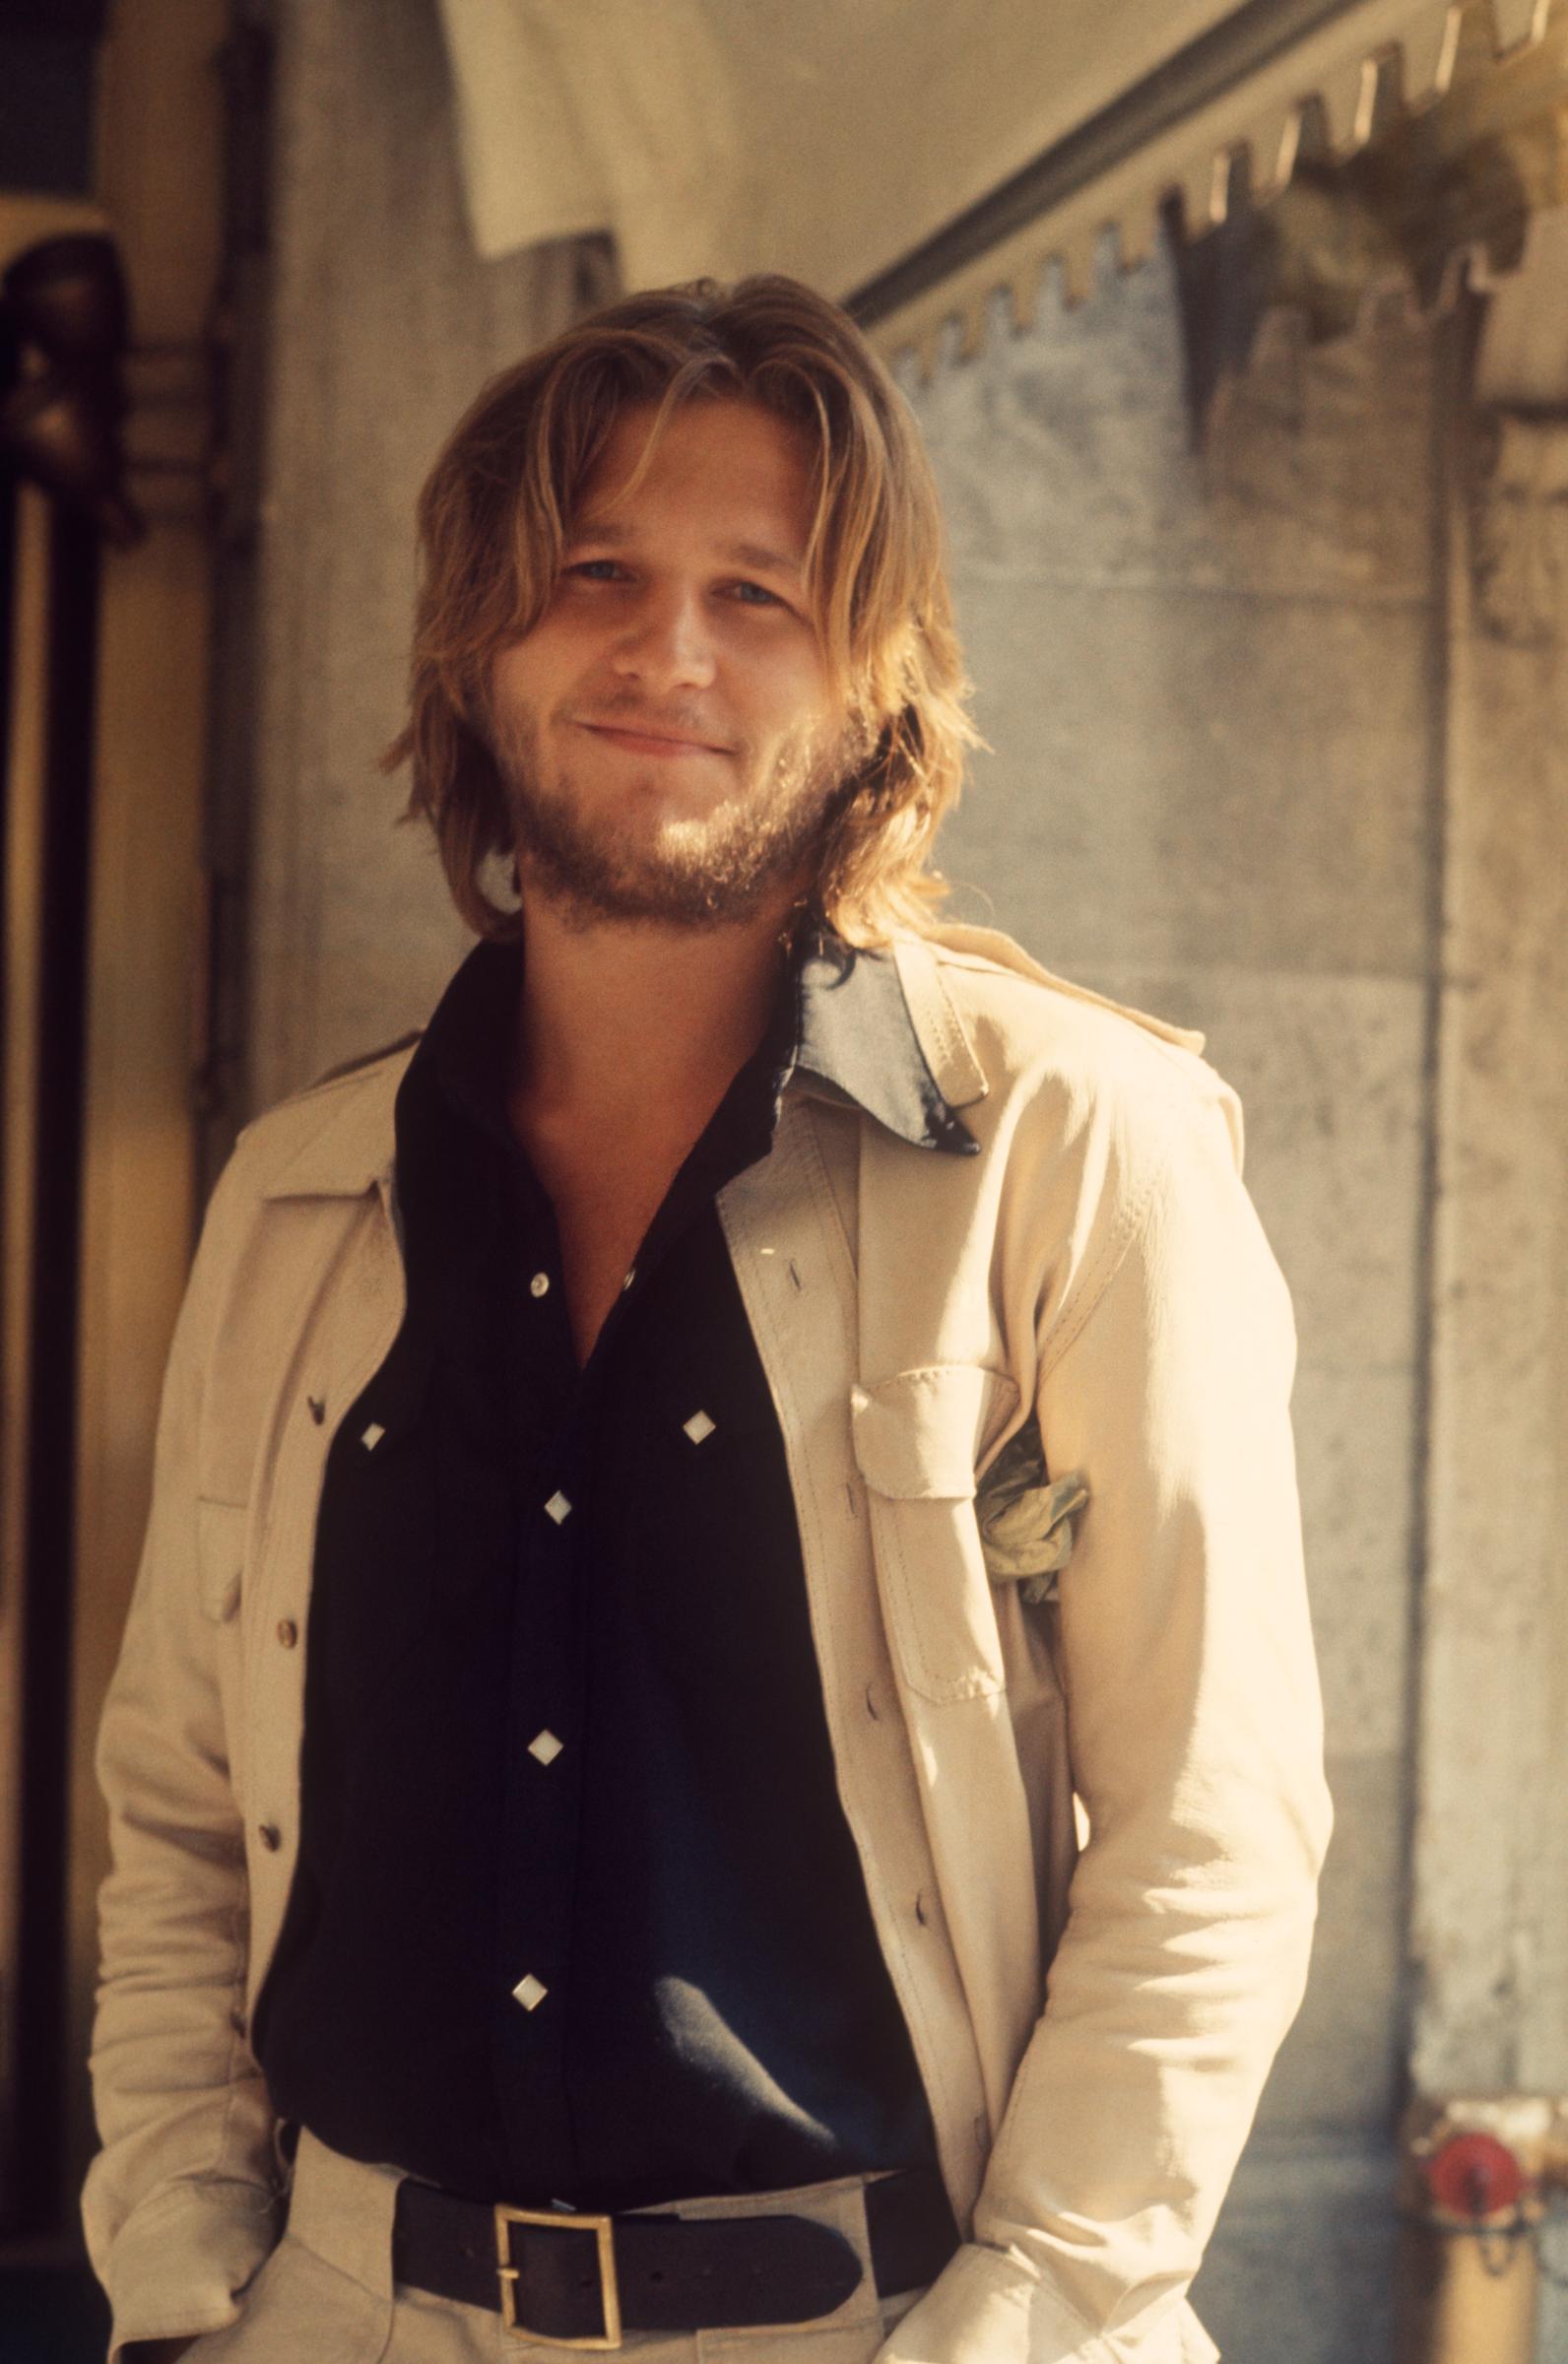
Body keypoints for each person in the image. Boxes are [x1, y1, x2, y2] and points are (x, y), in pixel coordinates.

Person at [83, 273, 1331, 2364]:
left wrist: (1027, 2311)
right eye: (595, 574)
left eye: (760, 593)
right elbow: (179, 1803)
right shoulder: (299, 1195)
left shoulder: (1067, 1151)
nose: (669, 654)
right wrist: (185, 2275)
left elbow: (1212, 1827)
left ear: (873, 687)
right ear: (475, 655)